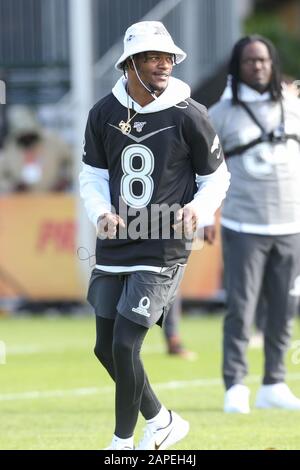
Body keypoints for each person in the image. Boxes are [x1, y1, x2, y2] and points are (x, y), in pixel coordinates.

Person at [79, 21, 230, 450]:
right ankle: (162, 419)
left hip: (164, 242)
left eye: (167, 57)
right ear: (129, 64)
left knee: (127, 344)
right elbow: (90, 174)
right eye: (151, 56)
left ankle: (121, 444)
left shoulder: (191, 113)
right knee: (105, 349)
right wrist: (100, 212)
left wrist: (199, 211)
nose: (163, 64)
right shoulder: (103, 112)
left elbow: (217, 178)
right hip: (114, 240)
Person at [209, 35, 300, 414]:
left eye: (263, 60)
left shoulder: (293, 106)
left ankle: (274, 383)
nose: (258, 67)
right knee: (240, 308)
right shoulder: (220, 113)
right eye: (250, 61)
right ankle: (235, 385)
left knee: (284, 309)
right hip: (244, 224)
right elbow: (204, 170)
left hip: (291, 224)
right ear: (237, 67)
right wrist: (204, 213)